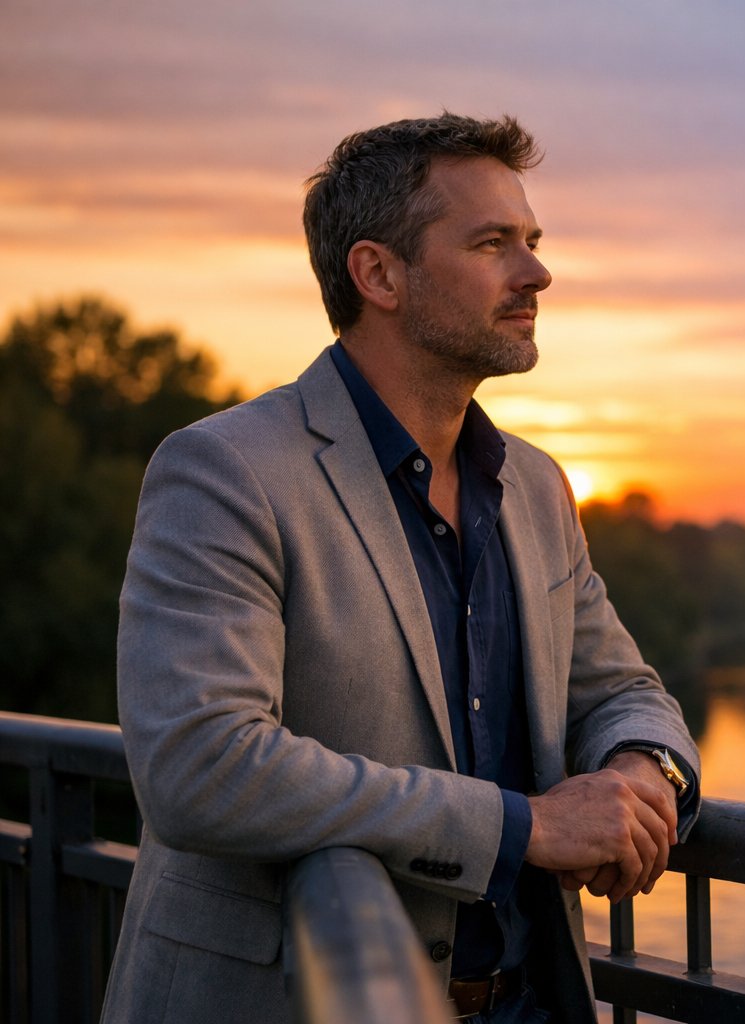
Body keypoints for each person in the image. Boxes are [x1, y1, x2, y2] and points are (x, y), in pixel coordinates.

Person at [100, 113, 700, 1024]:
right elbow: (200, 766)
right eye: (493, 243)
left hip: (532, 1002)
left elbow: (623, 688)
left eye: (532, 241)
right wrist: (526, 828)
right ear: (378, 274)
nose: (537, 272)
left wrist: (643, 777)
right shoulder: (225, 470)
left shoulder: (535, 487)